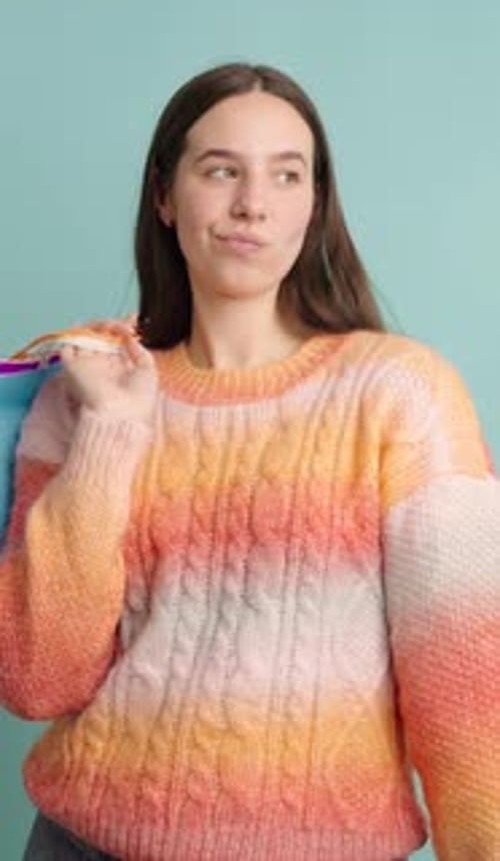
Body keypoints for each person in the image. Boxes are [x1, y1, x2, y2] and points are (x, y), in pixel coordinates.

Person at [0, 62, 498, 861]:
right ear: (165, 195)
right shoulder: (85, 395)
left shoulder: (399, 393)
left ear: (314, 202)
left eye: (286, 174)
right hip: (82, 843)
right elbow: (37, 679)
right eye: (221, 169)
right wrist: (111, 434)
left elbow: (472, 696)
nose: (252, 204)